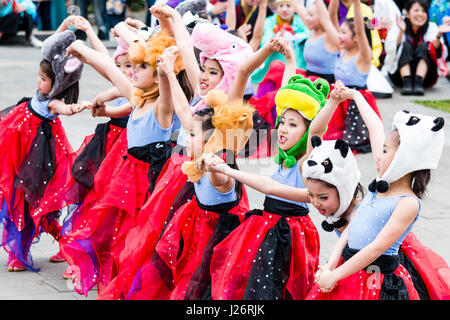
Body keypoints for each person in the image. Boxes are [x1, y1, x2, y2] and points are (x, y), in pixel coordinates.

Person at [58, 26, 192, 296]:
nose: (133, 70)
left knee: (140, 238)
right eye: (134, 65)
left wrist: (165, 66)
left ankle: (137, 286)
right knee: (116, 235)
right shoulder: (135, 97)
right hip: (126, 176)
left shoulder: (161, 107)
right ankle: (119, 282)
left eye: (141, 67)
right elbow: (110, 68)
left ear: (156, 77)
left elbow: (164, 84)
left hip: (150, 183)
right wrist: (80, 49)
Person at [202, 74, 330, 300]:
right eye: (282, 122)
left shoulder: (305, 163)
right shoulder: (283, 157)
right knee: (253, 285)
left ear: (307, 131)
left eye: (293, 124)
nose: (283, 128)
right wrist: (289, 57)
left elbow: (269, 187)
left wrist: (334, 102)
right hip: (267, 226)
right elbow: (283, 103)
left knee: (278, 288)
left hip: (291, 233)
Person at [307, 109, 445, 300]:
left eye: (386, 150)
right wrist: (330, 265)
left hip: (377, 281)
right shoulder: (377, 188)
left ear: (406, 158)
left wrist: (335, 275)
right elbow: (349, 231)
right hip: (349, 269)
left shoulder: (407, 203)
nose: (379, 155)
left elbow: (376, 249)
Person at [0, 30, 88, 272]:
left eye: (44, 79)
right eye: (39, 76)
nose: (39, 81)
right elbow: (50, 47)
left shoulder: (52, 102)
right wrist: (66, 28)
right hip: (17, 153)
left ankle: (32, 251)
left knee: (32, 203)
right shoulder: (37, 96)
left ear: (57, 83)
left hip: (36, 158)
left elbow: (63, 107)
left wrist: (77, 107)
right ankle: (58, 246)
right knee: (16, 199)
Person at [323, 0, 382, 154]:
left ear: (356, 37)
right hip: (338, 100)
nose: (339, 35)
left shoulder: (363, 55)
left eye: (343, 32)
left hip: (356, 104)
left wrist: (356, 3)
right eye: (340, 31)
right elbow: (330, 17)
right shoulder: (342, 49)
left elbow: (360, 29)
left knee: (345, 143)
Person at [388, 0, 450, 95]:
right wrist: (401, 32)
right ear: (407, 14)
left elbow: (437, 53)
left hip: (426, 78)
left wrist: (438, 35)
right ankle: (407, 82)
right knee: (406, 45)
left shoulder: (432, 27)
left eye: (423, 11)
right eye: (416, 10)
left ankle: (418, 81)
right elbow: (392, 51)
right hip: (399, 78)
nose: (420, 14)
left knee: (425, 46)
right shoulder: (399, 25)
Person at [251, 0, 309, 84]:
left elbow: (308, 36)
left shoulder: (300, 21)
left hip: (295, 68)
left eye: (288, 6)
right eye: (281, 6)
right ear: (276, 8)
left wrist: (293, 37)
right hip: (270, 70)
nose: (284, 9)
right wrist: (277, 36)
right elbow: (265, 42)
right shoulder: (269, 21)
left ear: (294, 8)